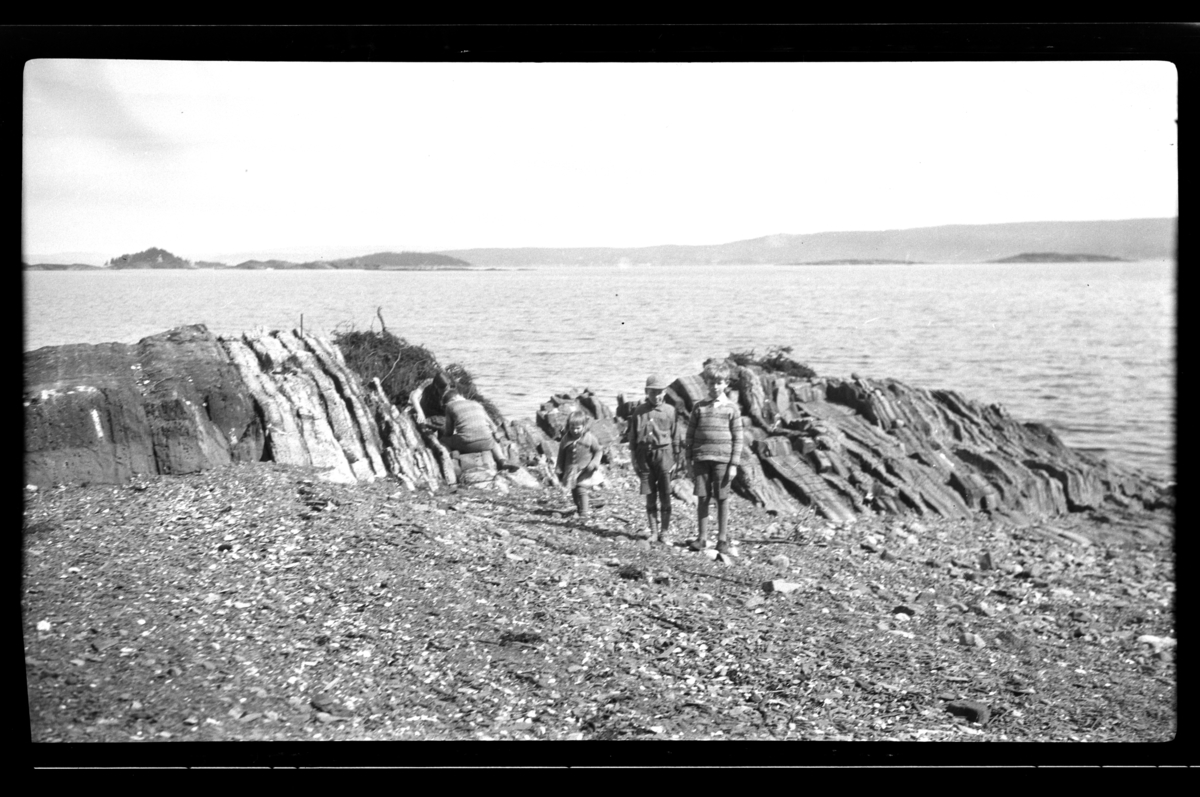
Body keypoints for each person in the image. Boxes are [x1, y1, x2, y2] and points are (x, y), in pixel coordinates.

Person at [685, 362, 744, 556]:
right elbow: (690, 435)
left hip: (723, 460)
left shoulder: (732, 409)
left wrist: (734, 464)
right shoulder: (699, 407)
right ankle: (702, 538)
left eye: (718, 382)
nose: (714, 386)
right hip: (701, 458)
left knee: (722, 498)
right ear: (706, 383)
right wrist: (688, 460)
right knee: (702, 497)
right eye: (711, 382)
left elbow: (738, 438)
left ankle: (722, 539)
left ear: (726, 383)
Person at [625, 374, 678, 544]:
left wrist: (676, 459)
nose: (657, 396)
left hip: (665, 455)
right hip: (644, 456)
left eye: (660, 392)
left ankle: (665, 531)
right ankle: (654, 531)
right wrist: (633, 457)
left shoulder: (670, 411)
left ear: (665, 392)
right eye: (653, 392)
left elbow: (676, 435)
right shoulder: (639, 411)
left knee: (665, 494)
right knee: (649, 494)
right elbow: (632, 436)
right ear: (646, 392)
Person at [439, 388, 517, 471]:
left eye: (445, 405)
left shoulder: (450, 406)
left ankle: (454, 461)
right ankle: (502, 460)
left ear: (452, 399)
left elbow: (448, 432)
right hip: (486, 443)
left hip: (467, 443)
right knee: (493, 442)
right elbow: (494, 427)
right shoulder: (477, 404)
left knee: (443, 440)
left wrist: (443, 434)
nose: (445, 408)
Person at [556, 410, 603, 519]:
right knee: (574, 490)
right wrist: (559, 470)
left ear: (584, 426)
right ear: (568, 426)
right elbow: (561, 455)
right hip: (571, 470)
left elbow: (598, 450)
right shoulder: (566, 439)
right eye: (572, 428)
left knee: (581, 489)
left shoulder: (589, 438)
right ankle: (579, 507)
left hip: (586, 469)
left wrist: (594, 462)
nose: (575, 430)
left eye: (578, 428)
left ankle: (584, 513)